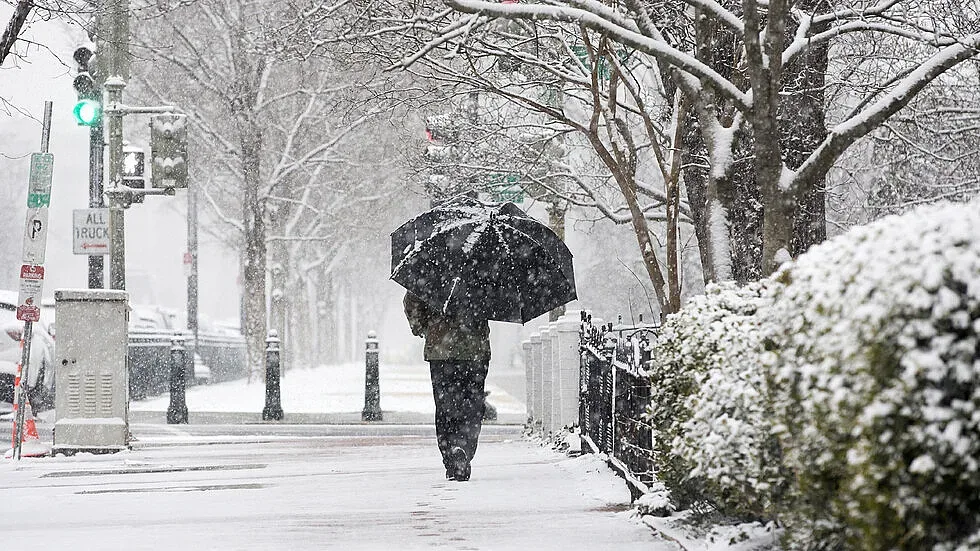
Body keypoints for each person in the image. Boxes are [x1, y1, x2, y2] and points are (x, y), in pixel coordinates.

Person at [404, 291, 491, 481]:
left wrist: (423, 327)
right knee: (473, 404)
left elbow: (412, 301)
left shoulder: (431, 269)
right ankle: (464, 449)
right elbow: (497, 301)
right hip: (475, 349)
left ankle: (451, 453)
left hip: (441, 350)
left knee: (445, 405)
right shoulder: (481, 268)